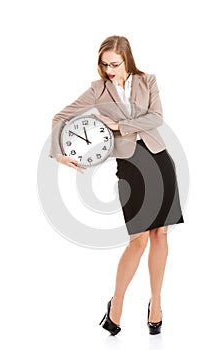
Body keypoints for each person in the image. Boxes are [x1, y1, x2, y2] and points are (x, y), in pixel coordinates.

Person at [50, 35, 184, 335]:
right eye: (104, 64)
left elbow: (157, 118)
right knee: (137, 240)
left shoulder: (147, 80)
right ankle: (117, 305)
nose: (109, 69)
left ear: (127, 59)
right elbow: (61, 116)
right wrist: (59, 152)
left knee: (161, 235)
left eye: (115, 63)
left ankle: (157, 304)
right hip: (130, 165)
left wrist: (120, 125)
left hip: (160, 159)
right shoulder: (98, 89)